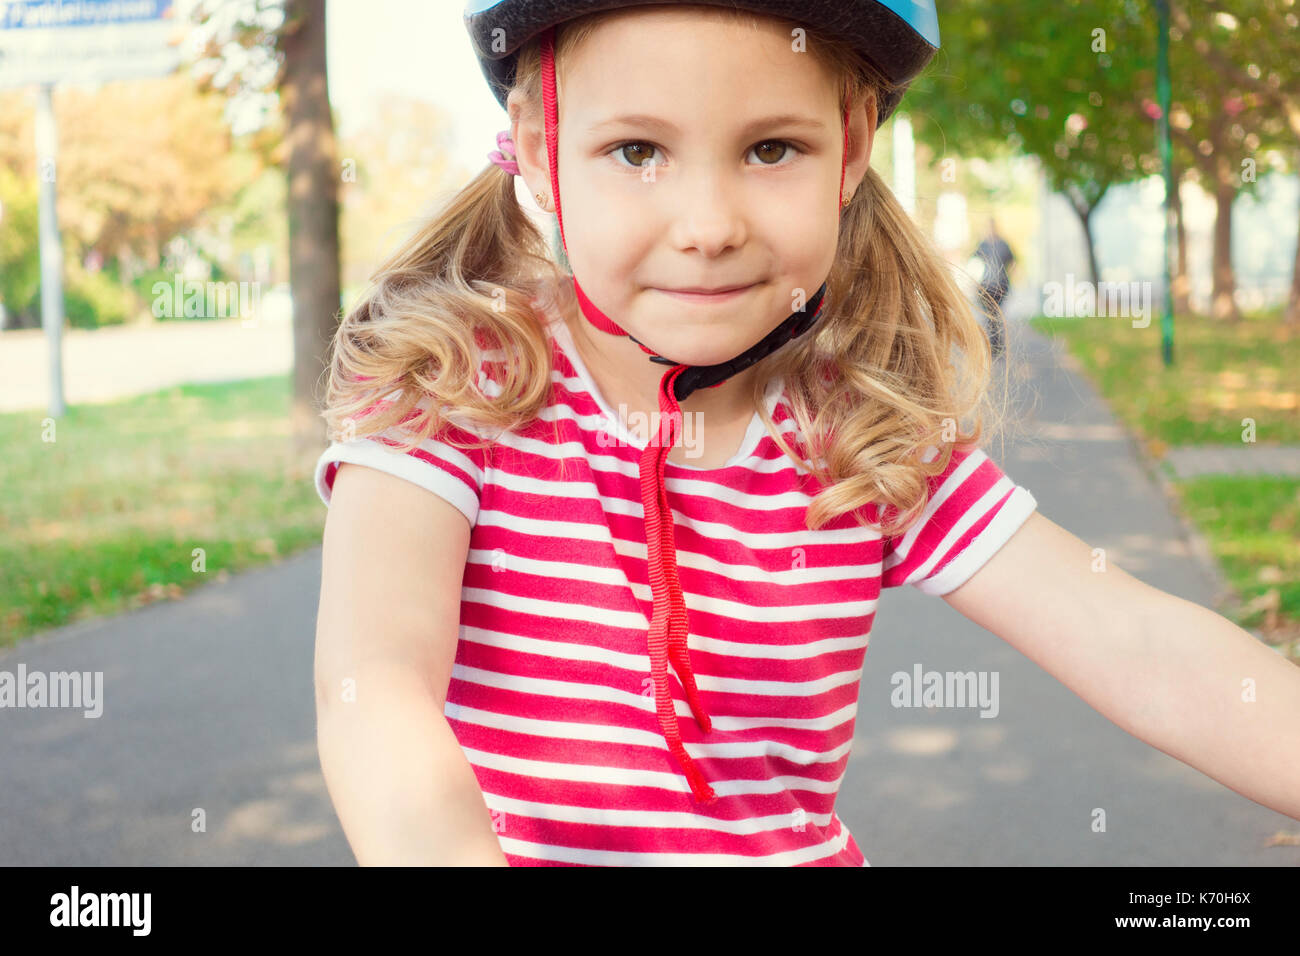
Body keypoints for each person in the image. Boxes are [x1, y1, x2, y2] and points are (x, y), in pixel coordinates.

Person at [312, 1, 1300, 867]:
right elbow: (375, 685)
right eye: (637, 151)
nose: (707, 225)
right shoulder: (447, 387)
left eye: (769, 148)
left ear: (853, 143)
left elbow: (1136, 641)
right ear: (537, 145)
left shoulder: (855, 427)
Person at [972, 217, 1016, 358]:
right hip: (985, 287)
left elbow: (1013, 262)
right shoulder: (982, 245)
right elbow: (974, 264)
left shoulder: (1003, 245)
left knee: (996, 316)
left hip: (1001, 285)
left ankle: (996, 346)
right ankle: (994, 346)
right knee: (991, 316)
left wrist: (1010, 277)